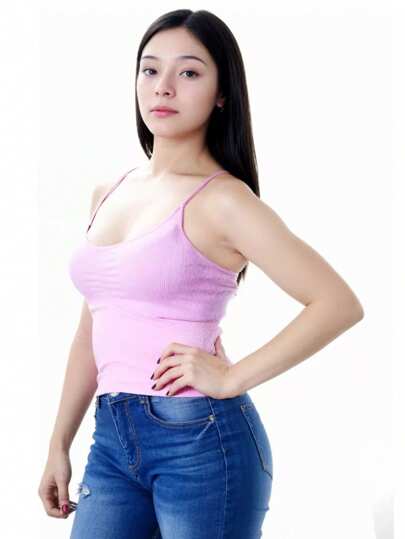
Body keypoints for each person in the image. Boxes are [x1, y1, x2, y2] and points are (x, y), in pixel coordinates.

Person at [38, 9, 364, 539]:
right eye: (150, 69)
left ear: (222, 93)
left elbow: (338, 303)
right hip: (111, 441)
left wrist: (232, 377)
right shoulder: (109, 192)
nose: (163, 87)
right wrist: (59, 441)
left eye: (188, 72)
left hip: (201, 441)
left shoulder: (224, 200)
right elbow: (90, 330)